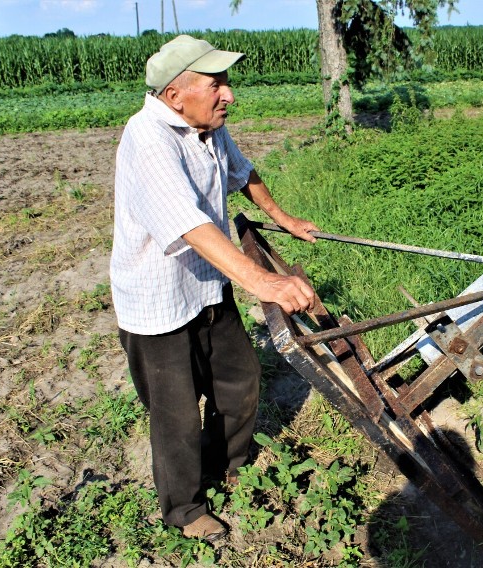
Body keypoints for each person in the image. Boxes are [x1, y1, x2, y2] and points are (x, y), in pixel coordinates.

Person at [110, 34, 319, 541]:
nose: (229, 94)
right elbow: (190, 225)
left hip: (206, 286)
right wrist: (266, 282)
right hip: (158, 303)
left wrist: (283, 218)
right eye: (216, 84)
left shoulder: (207, 128)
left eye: (227, 81)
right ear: (175, 94)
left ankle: (229, 463)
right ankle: (183, 509)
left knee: (241, 381)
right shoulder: (149, 139)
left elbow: (243, 173)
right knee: (175, 414)